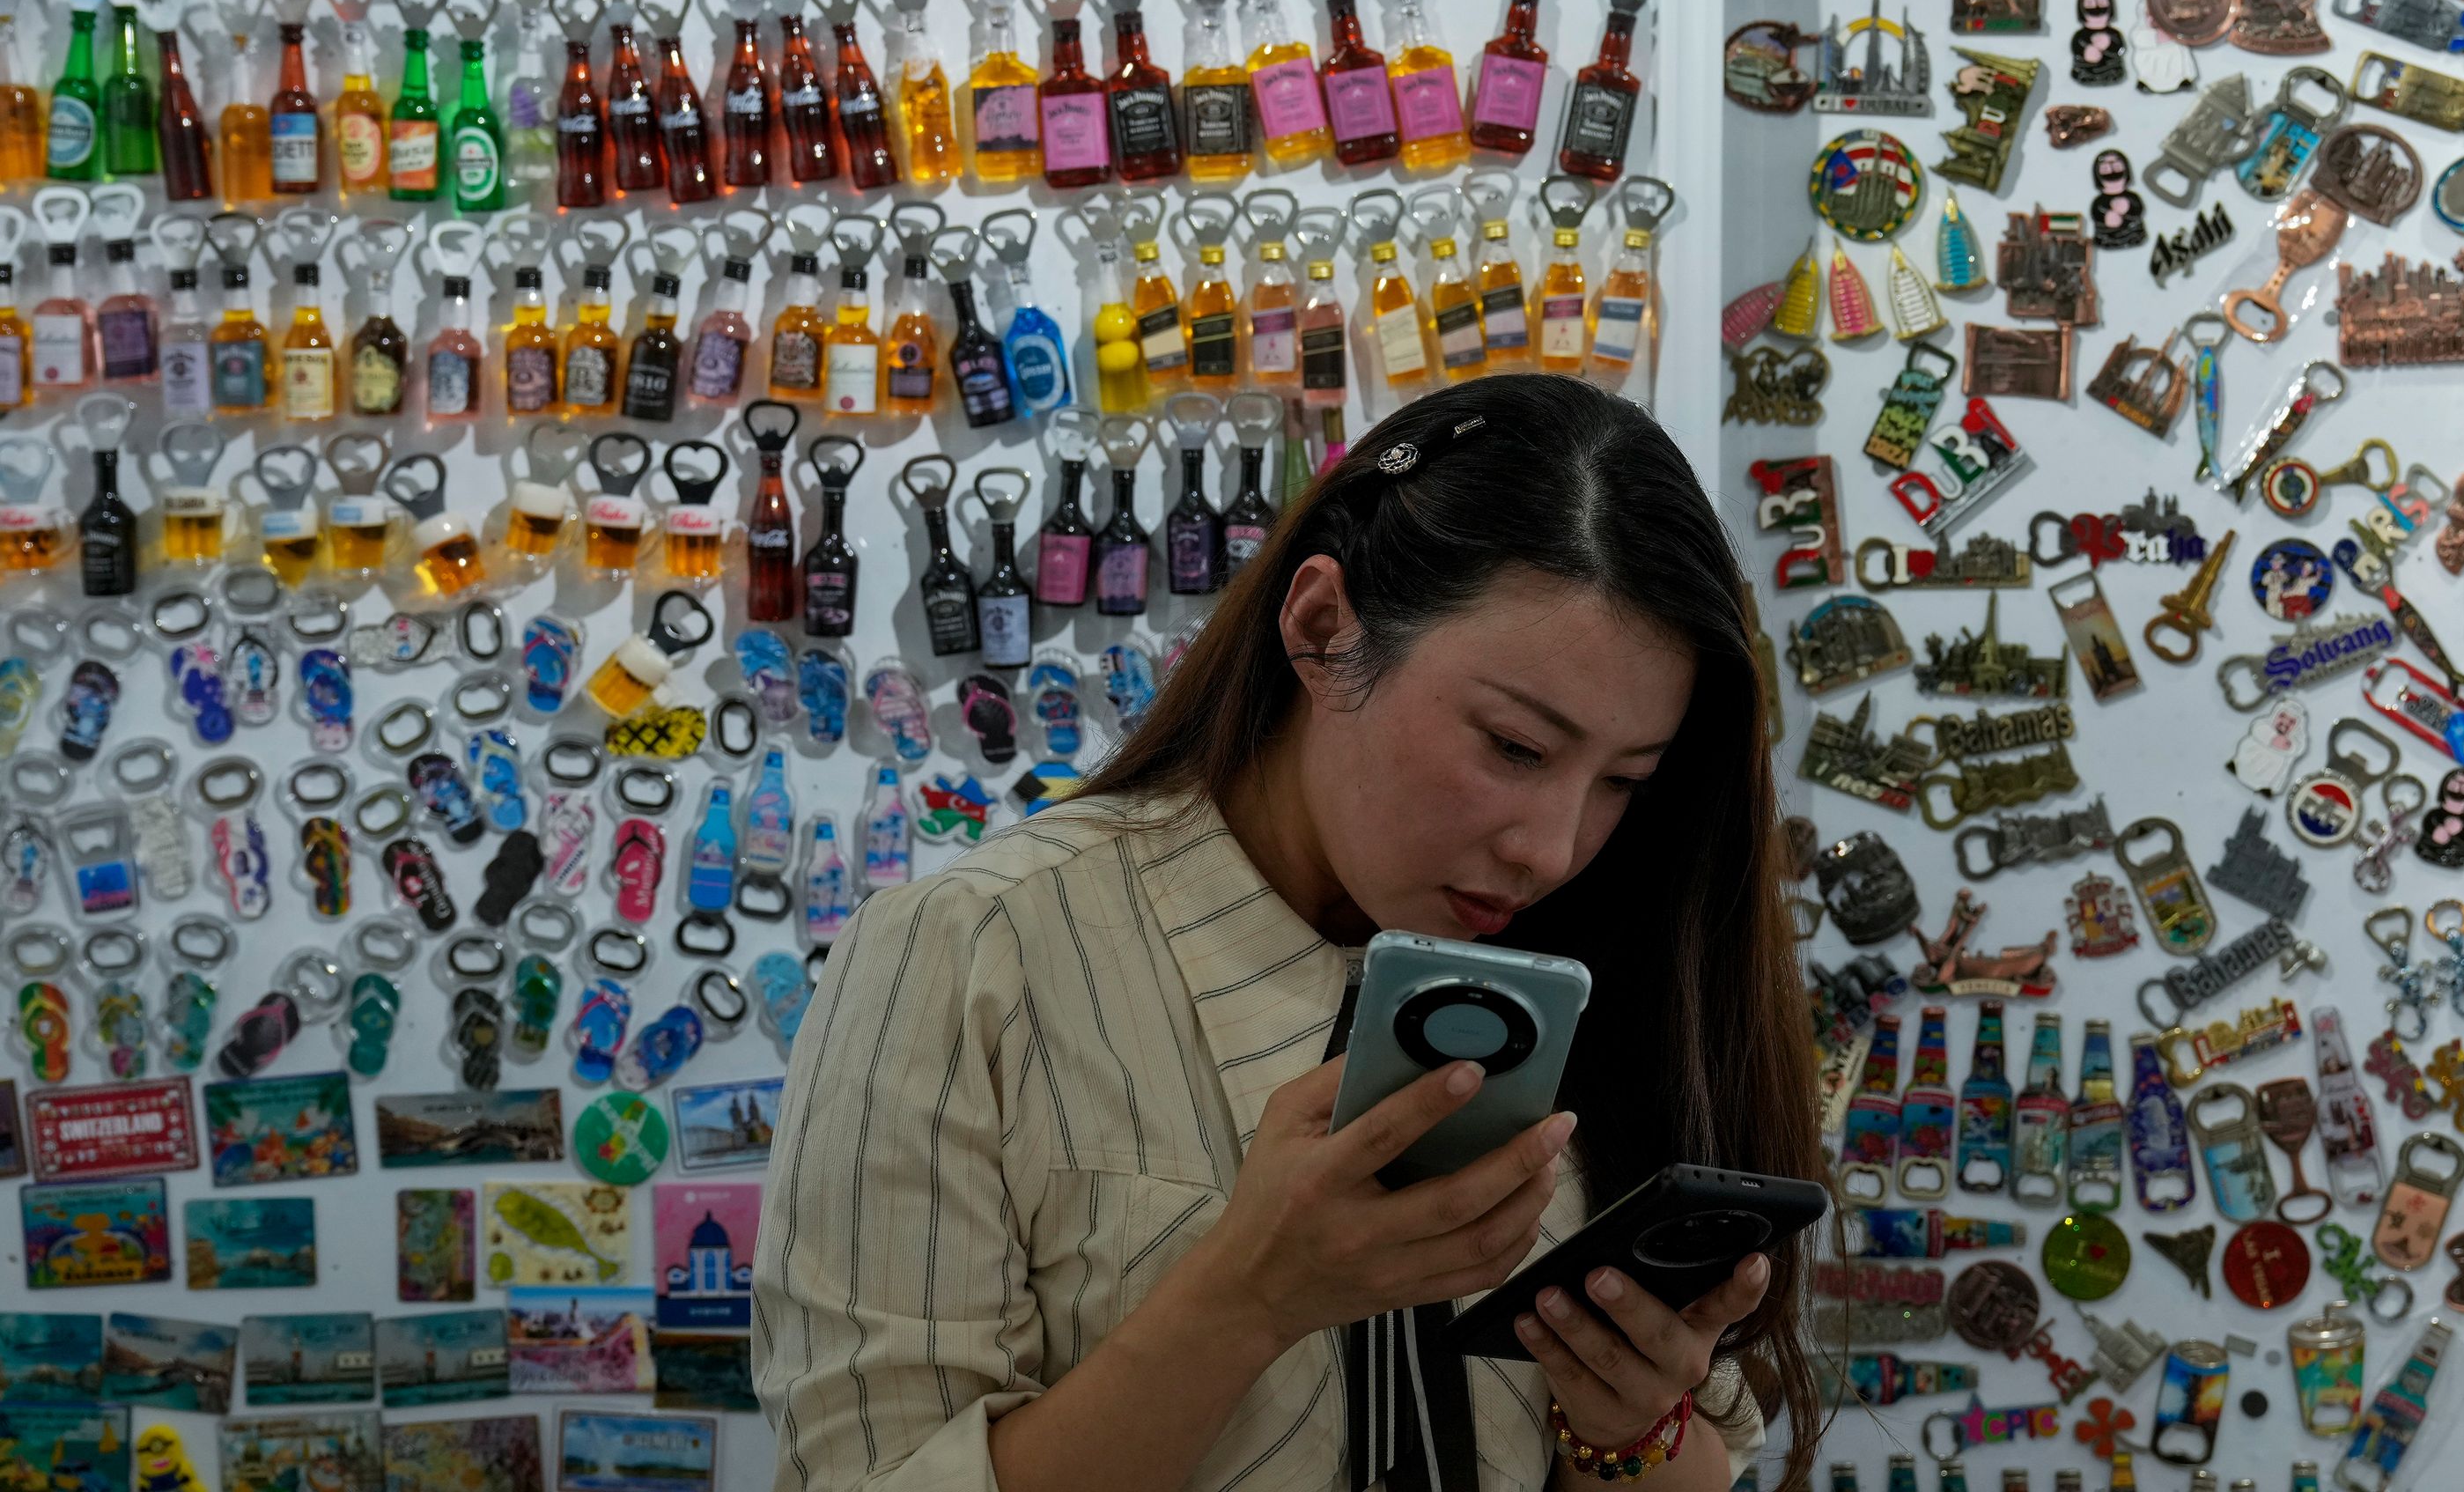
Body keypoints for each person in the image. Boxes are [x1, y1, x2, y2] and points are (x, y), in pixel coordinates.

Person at [752, 378, 1823, 1492]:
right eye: (1513, 747)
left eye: (1624, 782)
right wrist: (1250, 1297)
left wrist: (1632, 1425)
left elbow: (1698, 1456)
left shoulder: (1596, 971)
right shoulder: (978, 949)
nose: (1552, 849)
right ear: (1321, 628)